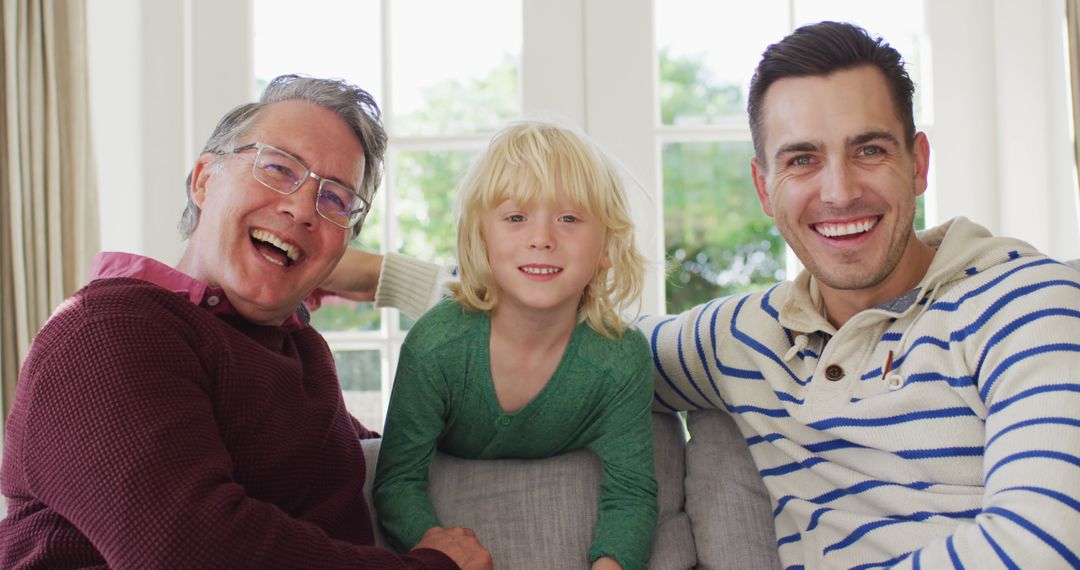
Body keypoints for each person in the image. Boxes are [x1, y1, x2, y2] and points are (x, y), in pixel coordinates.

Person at [323, 21, 1080, 569]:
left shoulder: (1029, 308)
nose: (839, 189)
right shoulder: (743, 339)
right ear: (764, 185)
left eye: (870, 149)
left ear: (918, 162)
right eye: (803, 159)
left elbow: (1041, 545)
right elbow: (548, 323)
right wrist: (375, 275)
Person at [0, 74, 492, 570]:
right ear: (203, 181)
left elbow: (508, 327)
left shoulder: (296, 354)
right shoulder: (109, 328)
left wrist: (387, 275)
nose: (302, 208)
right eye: (278, 169)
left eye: (335, 200)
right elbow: (186, 550)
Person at [372, 120, 658, 570]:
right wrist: (440, 549)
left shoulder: (621, 358)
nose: (541, 238)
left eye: (569, 218)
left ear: (606, 245)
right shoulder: (435, 346)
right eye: (515, 217)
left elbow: (631, 494)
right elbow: (396, 482)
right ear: (481, 239)